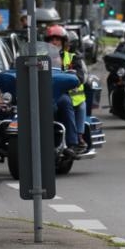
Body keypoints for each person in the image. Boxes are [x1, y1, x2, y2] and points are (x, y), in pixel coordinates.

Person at [44, 25, 86, 156]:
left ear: (63, 42)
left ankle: (72, 143)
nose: (54, 42)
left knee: (65, 103)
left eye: (57, 39)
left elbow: (80, 76)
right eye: (51, 40)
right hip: (41, 93)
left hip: (61, 93)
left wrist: (71, 77)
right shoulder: (40, 57)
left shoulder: (72, 57)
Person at [63, 30, 88, 150]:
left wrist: (74, 78)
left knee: (81, 105)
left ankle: (78, 136)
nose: (67, 45)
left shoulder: (75, 57)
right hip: (53, 91)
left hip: (72, 93)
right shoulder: (48, 55)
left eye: (68, 42)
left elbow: (81, 76)